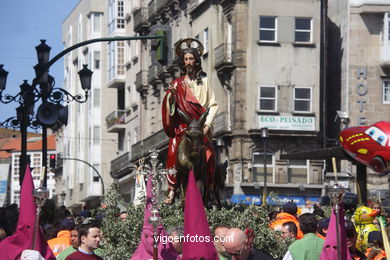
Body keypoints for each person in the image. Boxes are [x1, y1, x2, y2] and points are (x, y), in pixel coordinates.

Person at [162, 38, 218, 203]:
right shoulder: (177, 83)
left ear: (196, 61)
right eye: (186, 59)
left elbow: (213, 104)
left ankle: (210, 190)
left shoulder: (205, 82)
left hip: (201, 129)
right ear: (183, 61)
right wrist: (171, 96)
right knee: (173, 151)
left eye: (191, 59)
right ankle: (172, 189)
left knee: (209, 154)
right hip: (183, 128)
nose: (188, 62)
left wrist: (207, 125)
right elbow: (169, 106)